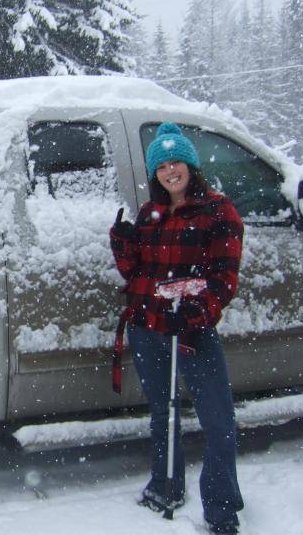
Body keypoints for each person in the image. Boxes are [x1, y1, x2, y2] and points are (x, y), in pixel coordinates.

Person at [109, 122, 245, 535]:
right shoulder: (151, 212)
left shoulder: (219, 211)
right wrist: (123, 242)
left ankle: (221, 508)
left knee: (218, 420)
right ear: (156, 173)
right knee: (163, 412)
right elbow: (136, 273)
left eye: (177, 162)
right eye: (162, 165)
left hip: (191, 330)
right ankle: (165, 487)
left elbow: (224, 278)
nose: (171, 171)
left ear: (191, 165)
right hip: (147, 325)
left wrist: (193, 313)